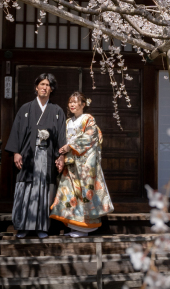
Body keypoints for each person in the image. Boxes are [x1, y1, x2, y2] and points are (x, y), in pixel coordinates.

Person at [5, 73, 67, 239]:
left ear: (51, 89)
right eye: (42, 84)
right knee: (25, 191)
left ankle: (41, 227)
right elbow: (16, 132)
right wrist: (16, 152)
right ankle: (23, 226)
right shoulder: (25, 109)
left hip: (47, 158)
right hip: (28, 157)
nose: (44, 87)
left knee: (44, 192)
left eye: (47, 85)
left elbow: (62, 136)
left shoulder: (57, 111)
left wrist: (61, 156)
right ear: (36, 87)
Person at [49, 92, 114, 237]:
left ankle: (85, 228)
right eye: (70, 102)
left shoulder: (88, 119)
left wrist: (70, 147)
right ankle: (74, 227)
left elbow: (91, 136)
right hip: (71, 163)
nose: (71, 104)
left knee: (83, 195)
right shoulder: (67, 122)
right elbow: (63, 141)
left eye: (75, 102)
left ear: (83, 105)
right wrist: (62, 155)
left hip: (84, 164)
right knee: (69, 194)